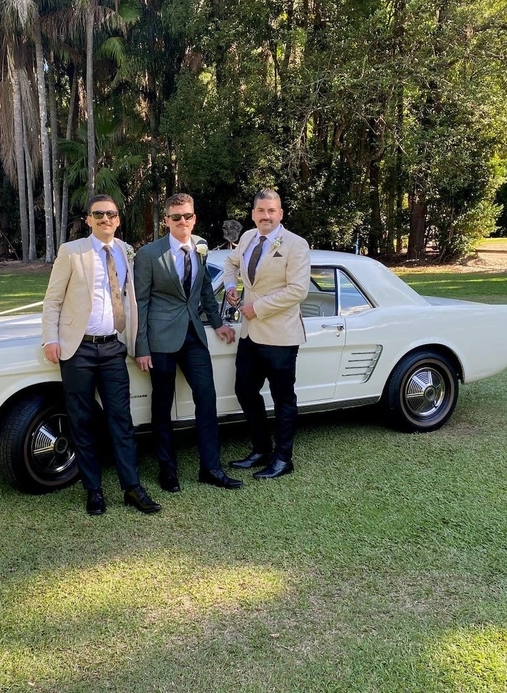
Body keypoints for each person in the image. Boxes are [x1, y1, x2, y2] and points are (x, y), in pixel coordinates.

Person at [41, 194, 161, 516]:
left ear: (118, 219)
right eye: (99, 214)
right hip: (77, 348)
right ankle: (93, 490)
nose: (106, 218)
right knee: (81, 421)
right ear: (89, 219)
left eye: (111, 214)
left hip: (112, 348)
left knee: (121, 419)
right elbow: (52, 300)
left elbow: (132, 300)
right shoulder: (72, 252)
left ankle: (132, 487)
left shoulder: (124, 252)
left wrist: (136, 343)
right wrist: (50, 339)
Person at [134, 193, 242, 493]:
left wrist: (218, 323)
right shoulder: (148, 254)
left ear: (194, 218)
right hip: (160, 338)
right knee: (162, 404)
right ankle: (167, 470)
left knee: (206, 399)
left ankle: (211, 468)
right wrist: (141, 347)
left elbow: (205, 289)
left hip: (194, 335)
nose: (183, 221)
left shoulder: (202, 247)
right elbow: (140, 302)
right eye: (176, 217)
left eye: (188, 216)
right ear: (166, 220)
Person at [222, 189, 310, 479]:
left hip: (280, 335)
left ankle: (283, 459)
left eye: (272, 211)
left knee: (283, 398)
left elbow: (298, 290)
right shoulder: (247, 237)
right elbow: (230, 263)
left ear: (280, 214)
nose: (266, 216)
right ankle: (261, 449)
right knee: (245, 391)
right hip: (250, 335)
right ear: (253, 214)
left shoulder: (296, 245)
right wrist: (231, 286)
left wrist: (256, 307)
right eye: (261, 210)